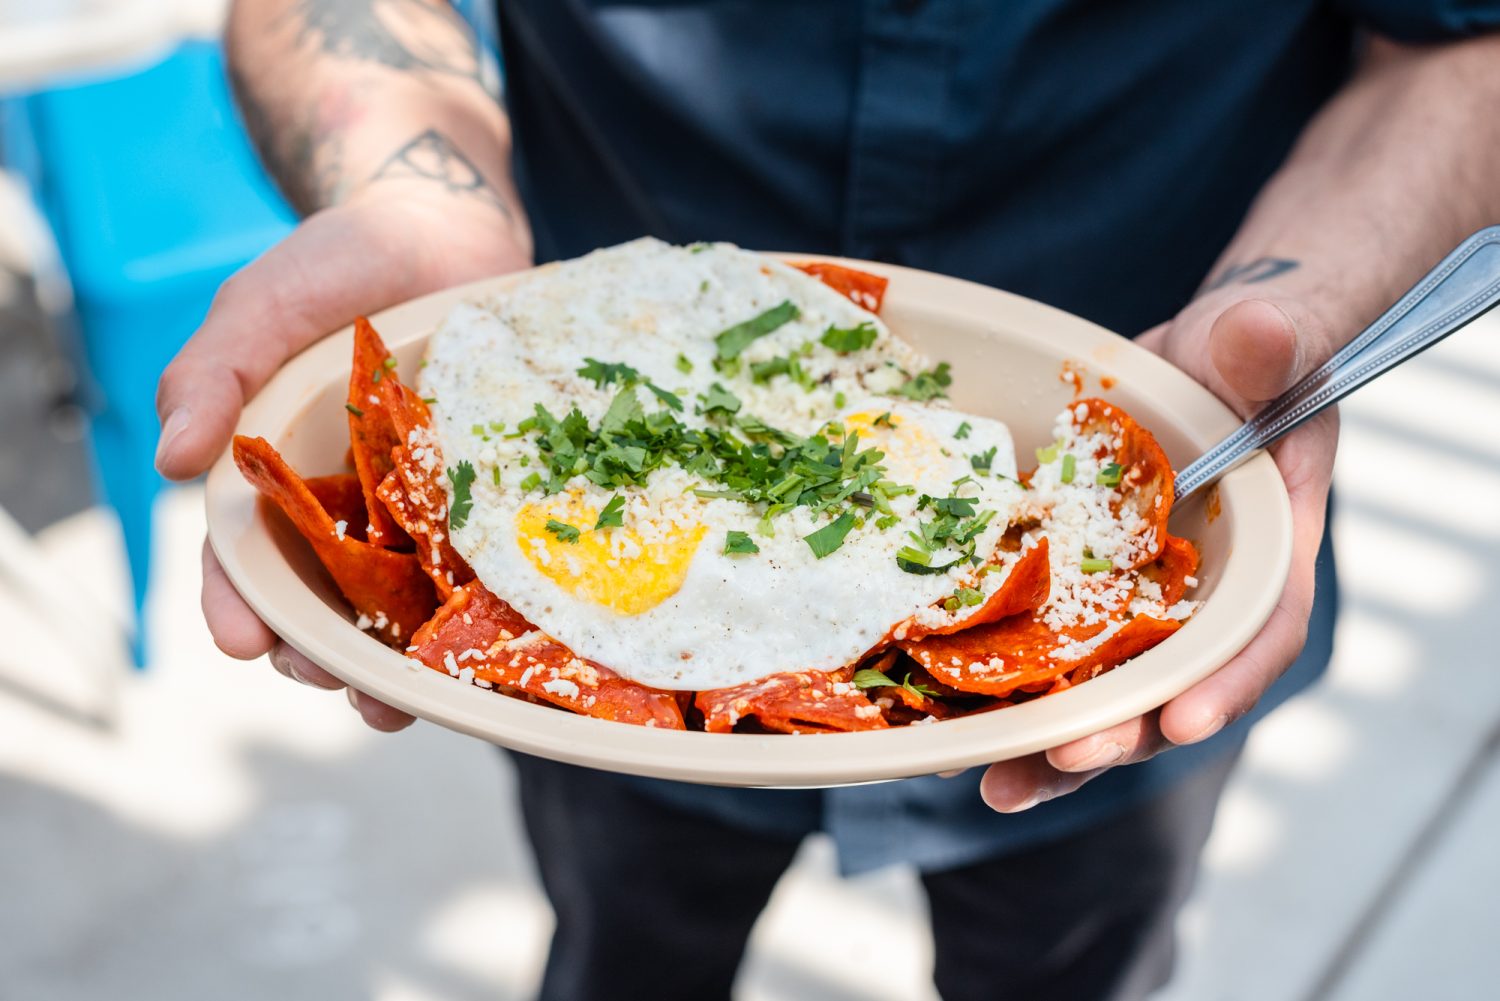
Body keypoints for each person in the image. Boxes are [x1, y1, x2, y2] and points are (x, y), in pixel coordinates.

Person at [155, 3, 1500, 999]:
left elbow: (1457, 43)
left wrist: (1291, 311)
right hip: (573, 563)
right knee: (624, 958)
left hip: (1140, 549)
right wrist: (404, 188)